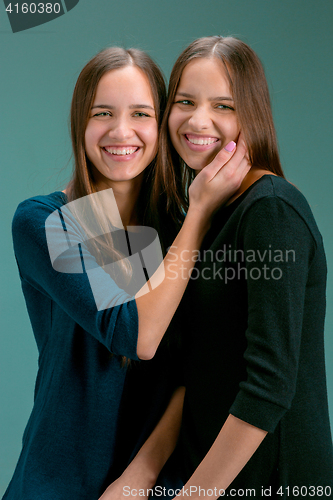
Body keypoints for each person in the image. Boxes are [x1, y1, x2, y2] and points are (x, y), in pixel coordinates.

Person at [3, 45, 250, 500]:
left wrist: (138, 478)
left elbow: (191, 376)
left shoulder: (178, 235)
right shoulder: (44, 221)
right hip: (53, 484)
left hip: (150, 487)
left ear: (160, 127)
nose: (121, 131)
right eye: (102, 113)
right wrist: (197, 216)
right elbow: (136, 334)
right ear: (81, 123)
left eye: (141, 113)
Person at [105, 36, 333, 499]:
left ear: (252, 116)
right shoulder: (208, 213)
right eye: (185, 101)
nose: (198, 120)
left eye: (222, 105)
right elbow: (198, 370)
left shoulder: (271, 210)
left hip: (274, 480)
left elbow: (269, 385)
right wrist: (141, 476)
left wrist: (193, 496)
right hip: (207, 475)